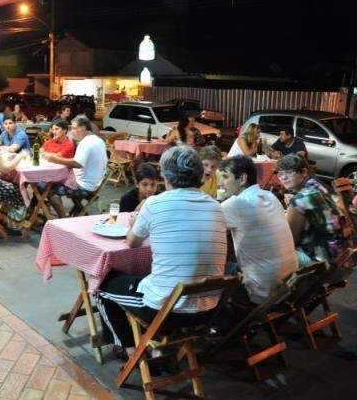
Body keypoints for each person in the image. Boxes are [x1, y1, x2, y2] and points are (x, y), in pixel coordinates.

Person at [96, 146, 227, 348]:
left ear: (166, 176)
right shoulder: (216, 206)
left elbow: (132, 243)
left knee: (101, 284)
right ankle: (150, 341)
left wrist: (134, 222)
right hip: (209, 309)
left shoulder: (155, 204)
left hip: (165, 310)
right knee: (150, 275)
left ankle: (130, 348)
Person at [218, 155, 298, 305]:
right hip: (286, 287)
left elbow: (201, 230)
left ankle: (212, 320)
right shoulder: (270, 196)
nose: (221, 183)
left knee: (210, 264)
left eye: (225, 176)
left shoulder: (237, 203)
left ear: (242, 179)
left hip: (260, 292)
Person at [276, 154, 349, 266]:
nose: (283, 178)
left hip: (321, 262)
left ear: (304, 172)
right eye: (280, 174)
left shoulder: (299, 200)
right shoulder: (319, 186)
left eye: (289, 172)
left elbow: (290, 242)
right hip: (341, 255)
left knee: (271, 253)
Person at [44, 115, 107, 218]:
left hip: (84, 186)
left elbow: (77, 164)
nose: (72, 132)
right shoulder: (97, 140)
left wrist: (54, 159)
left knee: (51, 191)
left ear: (83, 128)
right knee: (58, 182)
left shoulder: (86, 143)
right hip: (95, 183)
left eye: (74, 128)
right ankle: (79, 211)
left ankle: (63, 220)